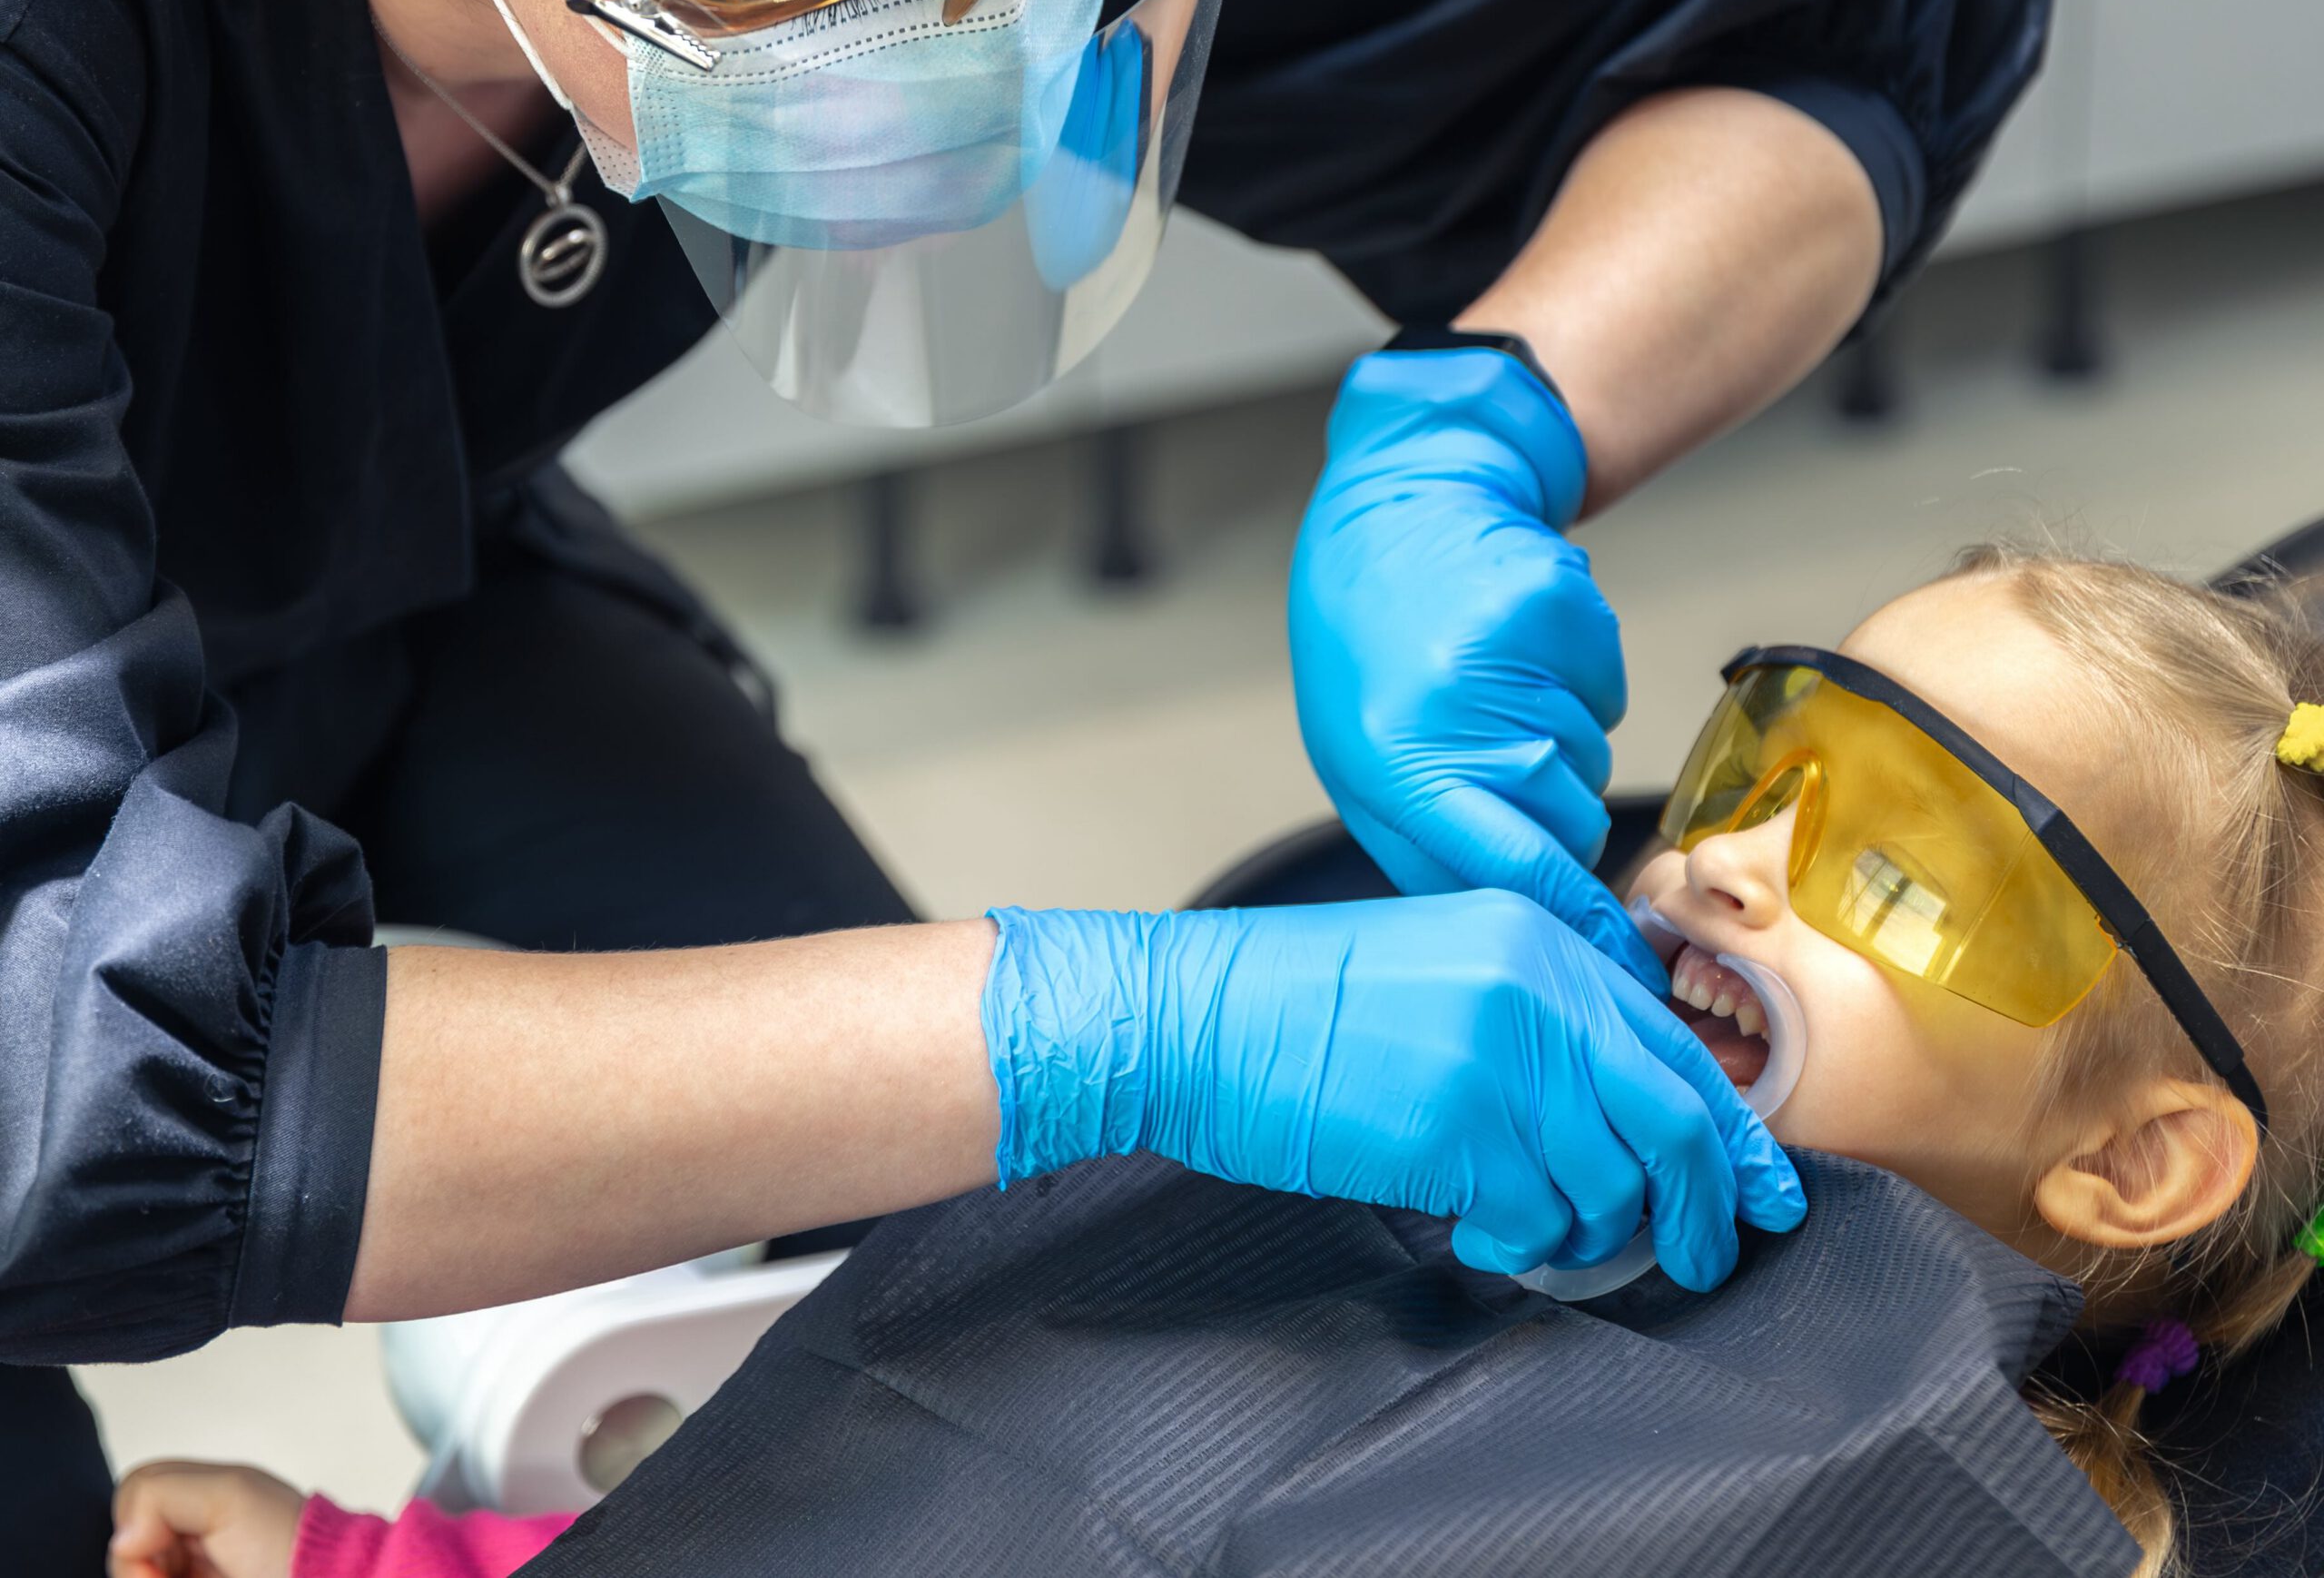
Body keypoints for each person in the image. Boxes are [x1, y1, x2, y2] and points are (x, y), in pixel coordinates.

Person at [0, 0, 2051, 1563]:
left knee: (923, 1324)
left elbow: (1799, 50)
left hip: (392, 550)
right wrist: (1105, 1024)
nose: (989, 39)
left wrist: (1481, 429)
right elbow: (60, 1101)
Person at [107, 547, 2324, 1578]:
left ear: (2133, 1167)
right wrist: (360, 1567)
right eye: (1767, 756)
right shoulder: (1353, 1192)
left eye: (1906, 870)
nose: (1726, 853)